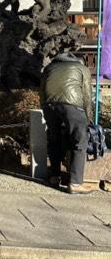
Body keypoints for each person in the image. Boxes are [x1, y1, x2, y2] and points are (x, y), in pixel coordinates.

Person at [40, 52, 94, 194]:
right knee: (80, 142)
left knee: (54, 139)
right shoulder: (81, 68)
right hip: (73, 106)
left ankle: (54, 176)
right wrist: (88, 118)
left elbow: (41, 90)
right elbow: (87, 95)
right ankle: (75, 183)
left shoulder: (49, 67)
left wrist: (44, 107)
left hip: (49, 105)